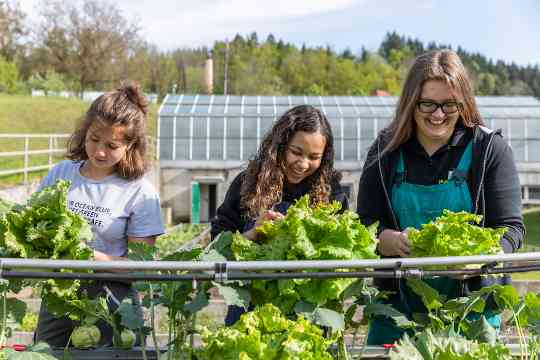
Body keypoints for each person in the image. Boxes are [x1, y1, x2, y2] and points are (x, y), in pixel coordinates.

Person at [356, 50, 524, 345]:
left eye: (449, 105)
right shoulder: (385, 151)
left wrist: (480, 259)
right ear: (411, 102)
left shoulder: (488, 150)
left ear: (463, 103)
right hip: (396, 312)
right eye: (428, 104)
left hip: (471, 311)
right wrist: (388, 240)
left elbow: (511, 229)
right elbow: (365, 224)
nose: (438, 114)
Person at [34, 83, 165, 347]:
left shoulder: (140, 192)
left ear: (130, 146)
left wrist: (87, 257)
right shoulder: (60, 173)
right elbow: (35, 228)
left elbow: (139, 267)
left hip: (113, 304)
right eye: (94, 139)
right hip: (59, 297)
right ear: (85, 131)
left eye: (112, 145)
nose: (100, 151)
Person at [211, 104, 349, 325]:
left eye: (314, 157)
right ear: (280, 146)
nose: (303, 164)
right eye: (296, 152)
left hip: (308, 312)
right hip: (251, 308)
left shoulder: (333, 192)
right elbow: (217, 247)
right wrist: (255, 232)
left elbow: (343, 256)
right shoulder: (247, 183)